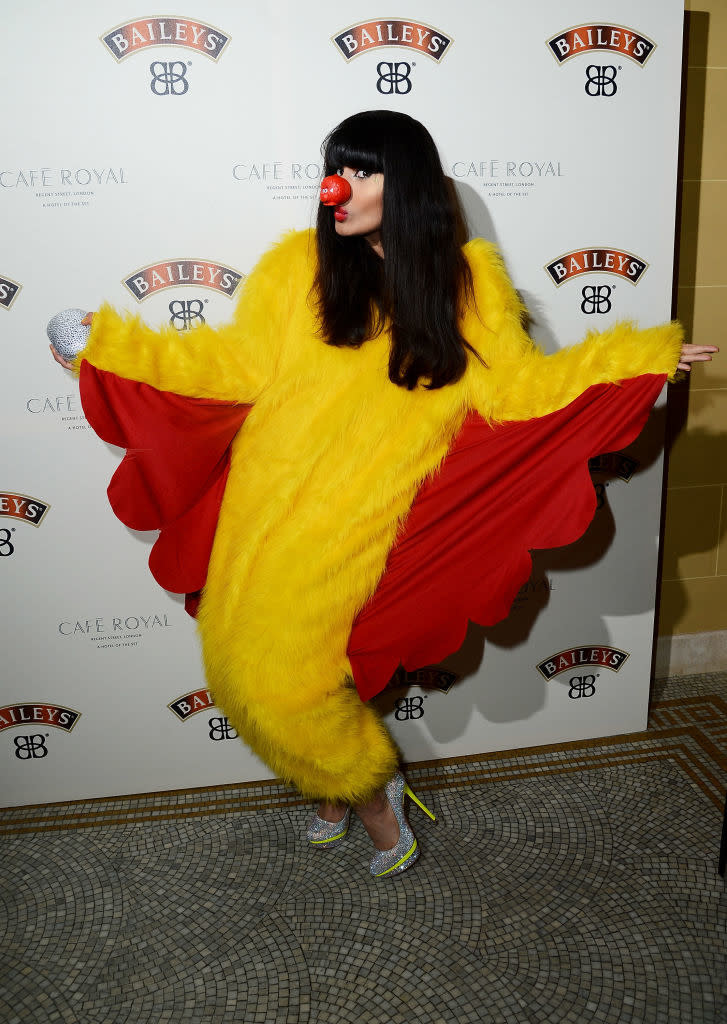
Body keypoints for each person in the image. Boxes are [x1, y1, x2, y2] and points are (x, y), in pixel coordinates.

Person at [52, 110, 717, 878]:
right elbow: (231, 366)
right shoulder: (300, 267)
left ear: (405, 183)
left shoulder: (465, 286)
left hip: (358, 527)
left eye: (363, 169)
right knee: (240, 662)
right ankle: (333, 793)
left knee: (281, 681)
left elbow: (521, 392)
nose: (338, 185)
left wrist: (631, 362)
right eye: (336, 166)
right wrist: (113, 345)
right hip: (260, 511)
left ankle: (372, 795)